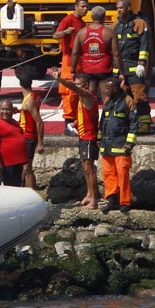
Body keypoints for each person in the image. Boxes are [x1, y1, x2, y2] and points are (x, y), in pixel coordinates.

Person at [54, 71, 101, 209]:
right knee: (85, 168)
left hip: (89, 137)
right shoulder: (82, 99)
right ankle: (89, 193)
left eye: (79, 84)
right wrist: (76, 122)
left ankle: (94, 199)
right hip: (83, 135)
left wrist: (60, 80)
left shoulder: (87, 95)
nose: (76, 87)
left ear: (86, 85)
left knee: (89, 168)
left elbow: (74, 88)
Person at [97, 77, 139, 214]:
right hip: (107, 146)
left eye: (108, 89)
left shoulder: (128, 101)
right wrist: (99, 138)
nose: (105, 91)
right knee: (108, 175)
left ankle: (125, 202)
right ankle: (112, 200)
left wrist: (129, 143)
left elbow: (134, 124)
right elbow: (103, 122)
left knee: (122, 175)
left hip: (121, 146)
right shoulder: (108, 102)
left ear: (115, 89)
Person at [114, 0, 152, 133]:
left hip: (134, 66)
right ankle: (127, 123)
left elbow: (144, 45)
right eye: (117, 8)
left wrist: (142, 63)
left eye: (121, 8)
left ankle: (144, 123)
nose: (119, 10)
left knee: (139, 95)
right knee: (123, 97)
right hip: (120, 68)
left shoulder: (139, 23)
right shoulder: (116, 25)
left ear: (128, 8)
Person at [53, 0, 89, 136]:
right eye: (83, 6)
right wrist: (65, 32)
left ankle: (76, 121)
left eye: (87, 7)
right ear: (76, 6)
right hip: (69, 60)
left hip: (80, 60)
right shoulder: (68, 20)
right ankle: (68, 123)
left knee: (79, 90)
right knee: (69, 92)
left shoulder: (83, 23)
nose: (85, 9)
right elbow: (56, 35)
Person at [71, 6, 124, 96]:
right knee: (106, 95)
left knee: (89, 96)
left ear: (91, 17)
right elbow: (116, 54)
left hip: (87, 70)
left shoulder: (81, 32)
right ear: (104, 17)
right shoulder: (110, 33)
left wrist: (73, 71)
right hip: (104, 70)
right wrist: (121, 72)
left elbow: (75, 53)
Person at [0, 99, 29, 187]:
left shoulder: (14, 122)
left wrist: (25, 161)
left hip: (18, 164)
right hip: (6, 165)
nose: (5, 112)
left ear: (12, 111)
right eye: (3, 109)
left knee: (17, 188)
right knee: (7, 189)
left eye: (8, 109)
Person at [17, 75, 45, 190]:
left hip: (29, 137)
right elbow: (28, 113)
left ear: (20, 85)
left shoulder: (29, 101)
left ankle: (32, 190)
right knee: (26, 167)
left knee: (27, 168)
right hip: (26, 135)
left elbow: (39, 122)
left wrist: (40, 143)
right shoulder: (34, 96)